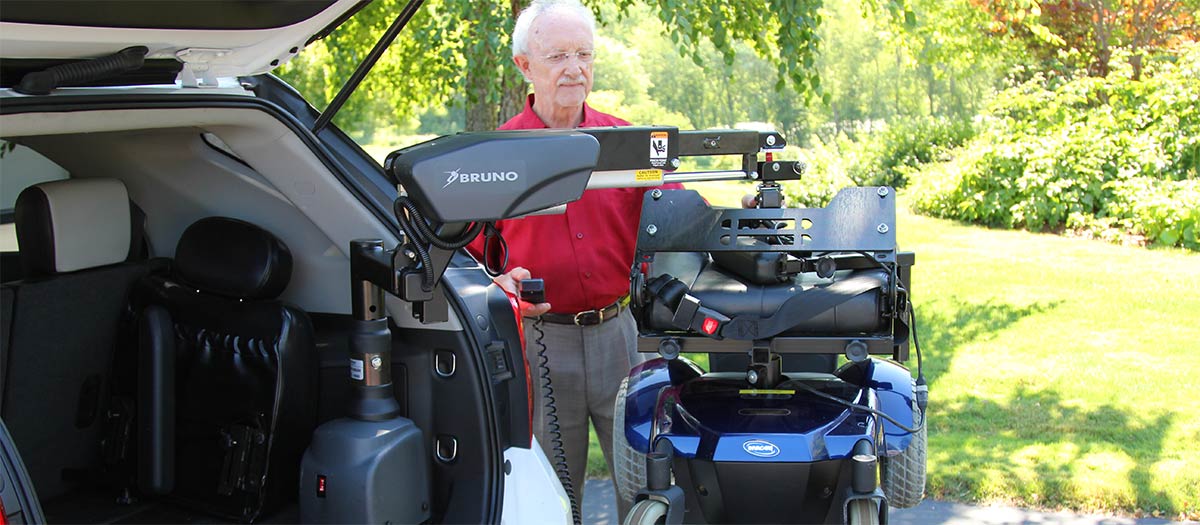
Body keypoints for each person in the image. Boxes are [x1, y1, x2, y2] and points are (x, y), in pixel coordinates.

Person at [467, 0, 681, 516]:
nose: (574, 68)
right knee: (555, 494)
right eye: (558, 55)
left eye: (583, 54)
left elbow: (678, 214)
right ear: (525, 66)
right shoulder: (494, 153)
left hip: (620, 337)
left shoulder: (628, 143)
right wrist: (496, 282)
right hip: (541, 342)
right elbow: (466, 256)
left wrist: (735, 213)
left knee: (647, 478)